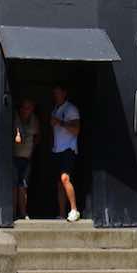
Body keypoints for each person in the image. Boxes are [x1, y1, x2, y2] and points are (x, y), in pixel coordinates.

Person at [50, 83, 80, 221]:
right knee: (59, 183)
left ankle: (74, 210)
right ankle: (62, 214)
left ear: (64, 93)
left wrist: (60, 123)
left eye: (57, 93)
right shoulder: (55, 109)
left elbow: (76, 130)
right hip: (57, 150)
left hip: (68, 149)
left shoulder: (71, 109)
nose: (55, 96)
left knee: (65, 178)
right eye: (54, 93)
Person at [13, 98, 40, 219]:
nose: (25, 110)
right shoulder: (14, 118)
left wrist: (31, 150)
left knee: (23, 186)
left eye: (28, 108)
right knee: (13, 185)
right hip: (14, 158)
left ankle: (23, 213)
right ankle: (12, 213)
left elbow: (37, 136)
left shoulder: (34, 120)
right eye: (24, 107)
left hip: (26, 158)